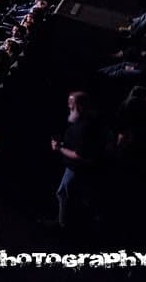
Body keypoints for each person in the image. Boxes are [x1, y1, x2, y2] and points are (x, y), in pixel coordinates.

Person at [50, 91, 104, 233]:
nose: (68, 106)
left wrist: (59, 148)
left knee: (64, 194)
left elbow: (80, 155)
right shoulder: (85, 123)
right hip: (79, 168)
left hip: (77, 169)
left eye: (71, 104)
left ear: (79, 107)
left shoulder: (83, 128)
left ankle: (63, 225)